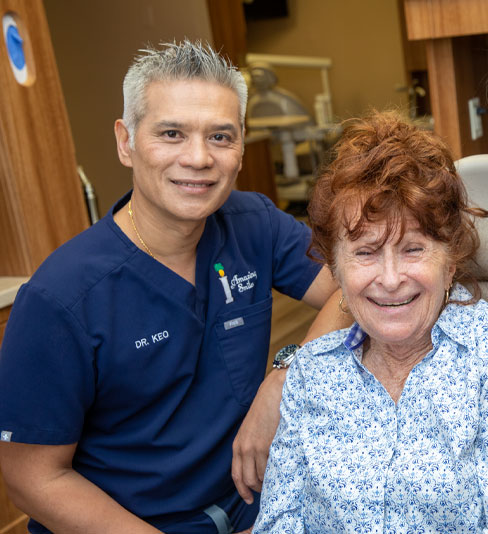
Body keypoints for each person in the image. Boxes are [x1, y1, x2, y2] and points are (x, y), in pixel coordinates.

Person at [0, 41, 345, 533]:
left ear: (242, 145)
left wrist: (284, 381)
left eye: (220, 136)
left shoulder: (254, 224)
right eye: (171, 133)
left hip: (253, 506)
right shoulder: (62, 298)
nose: (199, 158)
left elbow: (355, 290)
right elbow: (33, 480)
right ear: (126, 141)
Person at [251, 111, 488, 533]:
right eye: (365, 252)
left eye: (413, 248)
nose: (390, 278)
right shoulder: (311, 372)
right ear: (336, 269)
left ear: (450, 259)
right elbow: (280, 523)